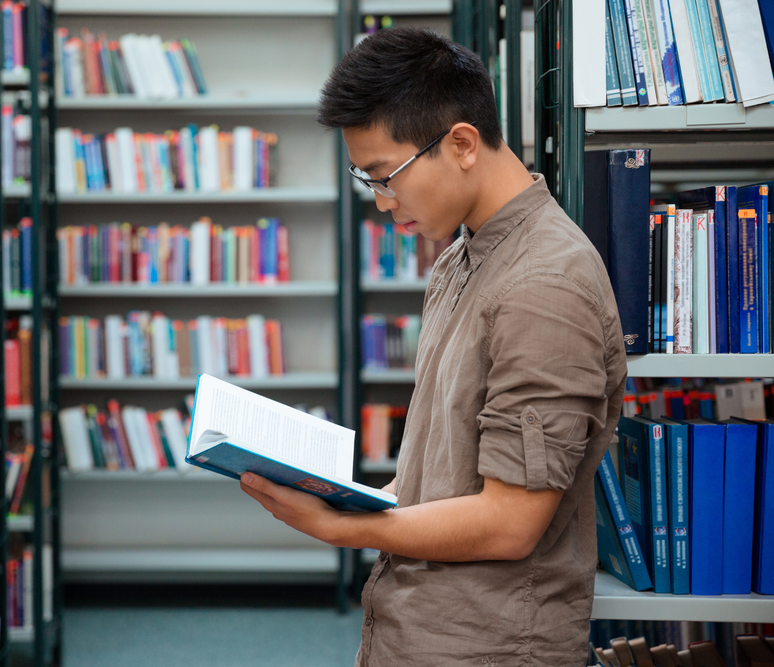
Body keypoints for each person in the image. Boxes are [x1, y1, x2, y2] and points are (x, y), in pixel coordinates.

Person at [238, 26, 627, 666]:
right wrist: (349, 494)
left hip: (487, 644)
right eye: (368, 180)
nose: (383, 202)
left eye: (386, 176)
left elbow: (510, 522)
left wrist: (343, 527)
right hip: (420, 623)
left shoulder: (544, 287)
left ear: (463, 144)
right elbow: (451, 466)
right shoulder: (463, 258)